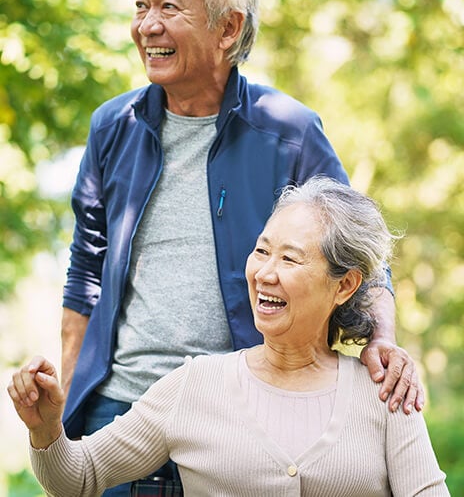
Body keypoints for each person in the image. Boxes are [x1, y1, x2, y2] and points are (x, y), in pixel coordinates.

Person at [60, 0, 422, 495]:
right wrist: (68, 400)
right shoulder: (112, 127)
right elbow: (86, 268)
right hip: (119, 412)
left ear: (228, 28)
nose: (146, 25)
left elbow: (360, 254)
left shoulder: (290, 131)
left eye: (168, 7)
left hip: (240, 423)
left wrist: (382, 339)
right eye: (141, 6)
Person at [9, 176, 448, 496]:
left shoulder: (384, 393)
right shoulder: (195, 385)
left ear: (345, 285)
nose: (265, 274)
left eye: (291, 259)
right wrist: (46, 430)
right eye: (261, 251)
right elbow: (79, 477)